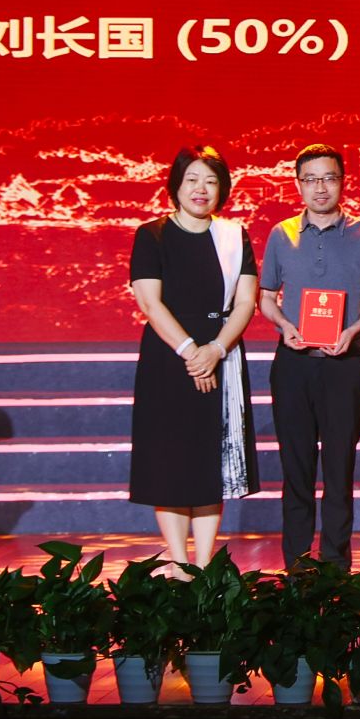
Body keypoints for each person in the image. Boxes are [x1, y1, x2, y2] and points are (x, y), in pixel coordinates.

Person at [257, 144, 360, 569]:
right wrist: (285, 326)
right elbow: (265, 297)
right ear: (298, 184)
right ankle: (298, 568)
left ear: (342, 181)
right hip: (293, 365)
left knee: (339, 470)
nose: (320, 187)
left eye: (329, 178)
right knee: (296, 470)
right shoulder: (282, 234)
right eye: (311, 179)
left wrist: (353, 329)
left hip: (345, 365)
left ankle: (336, 568)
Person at [127, 145, 259, 571]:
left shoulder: (234, 236)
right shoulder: (152, 235)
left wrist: (215, 350)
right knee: (170, 460)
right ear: (176, 186)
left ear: (222, 189)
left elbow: (246, 302)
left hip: (221, 352)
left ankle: (202, 566)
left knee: (208, 461)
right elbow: (150, 302)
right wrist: (190, 352)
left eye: (211, 181)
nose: (201, 189)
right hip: (169, 357)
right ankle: (179, 563)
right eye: (192, 180)